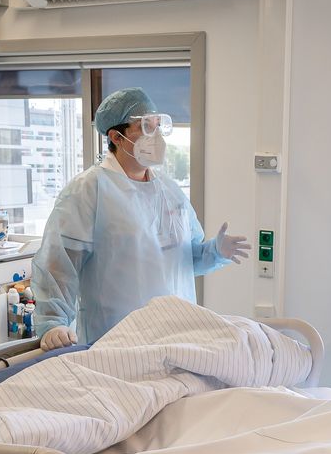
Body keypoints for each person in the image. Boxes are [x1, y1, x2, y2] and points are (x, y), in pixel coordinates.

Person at [32, 87, 250, 351]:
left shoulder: (169, 190)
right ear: (117, 137)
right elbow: (59, 265)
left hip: (177, 339)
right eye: (146, 127)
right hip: (115, 341)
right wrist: (54, 322)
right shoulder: (89, 190)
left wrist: (214, 252)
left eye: (157, 127)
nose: (155, 136)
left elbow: (184, 260)